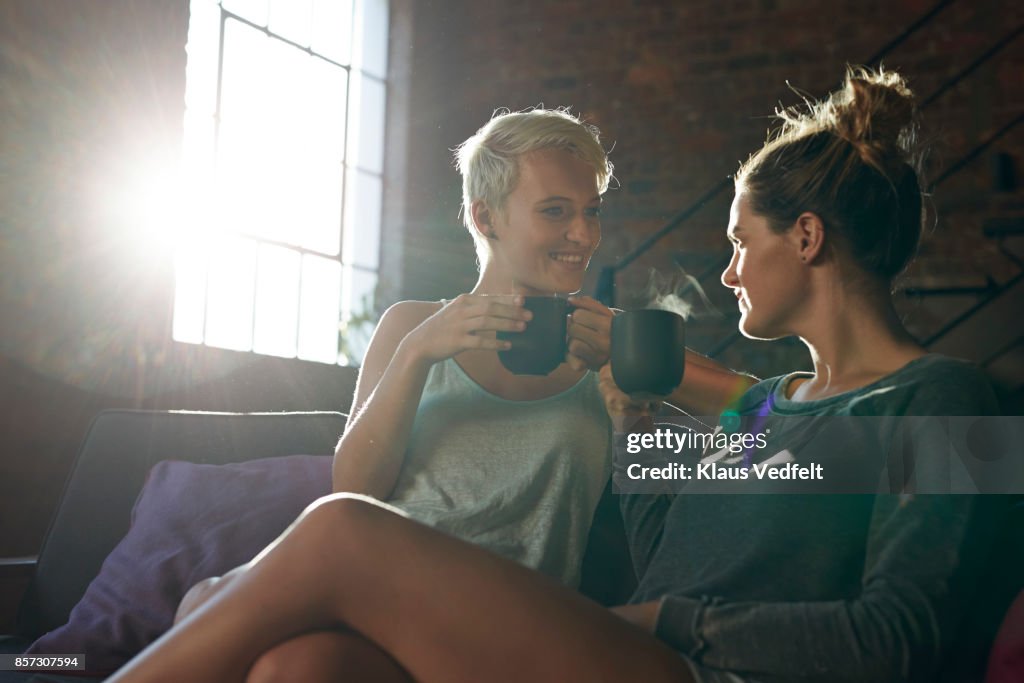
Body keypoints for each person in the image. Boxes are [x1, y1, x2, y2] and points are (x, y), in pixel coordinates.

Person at [107, 66, 1000, 683]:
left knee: (342, 527)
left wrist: (667, 623)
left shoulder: (950, 401)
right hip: (626, 651)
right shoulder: (782, 411)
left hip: (693, 668)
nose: (727, 271)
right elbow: (663, 551)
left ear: (804, 239)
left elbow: (899, 638)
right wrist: (632, 418)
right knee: (301, 668)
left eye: (738, 242)